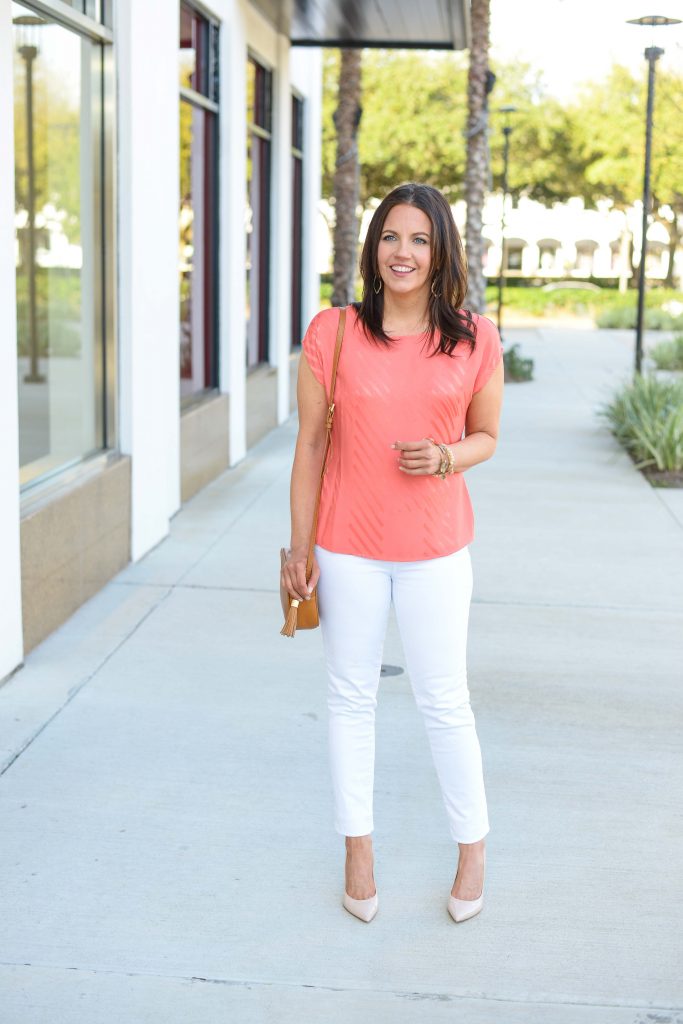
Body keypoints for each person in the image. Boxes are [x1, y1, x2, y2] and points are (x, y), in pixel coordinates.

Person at [281, 182, 504, 924]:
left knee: (444, 701)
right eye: (389, 237)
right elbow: (311, 443)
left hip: (437, 549)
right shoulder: (333, 331)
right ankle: (357, 848)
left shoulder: (473, 335)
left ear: (440, 252)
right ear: (372, 249)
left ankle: (470, 850)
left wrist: (444, 457)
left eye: (418, 239)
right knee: (350, 699)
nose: (402, 252)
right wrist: (298, 543)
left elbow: (486, 438)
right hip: (347, 546)